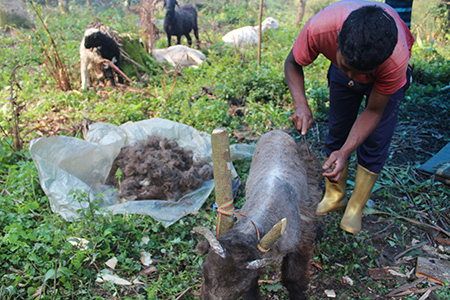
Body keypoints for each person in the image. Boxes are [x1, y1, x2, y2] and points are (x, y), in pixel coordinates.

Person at [284, 0, 414, 234]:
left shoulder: (395, 60)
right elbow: (292, 62)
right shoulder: (320, 29)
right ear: (337, 41)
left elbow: (373, 111)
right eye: (346, 67)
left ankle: (355, 207)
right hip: (352, 61)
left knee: (376, 139)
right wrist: (301, 105)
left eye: (361, 73)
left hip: (383, 82)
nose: (353, 78)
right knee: (338, 129)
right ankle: (335, 196)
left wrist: (346, 152)